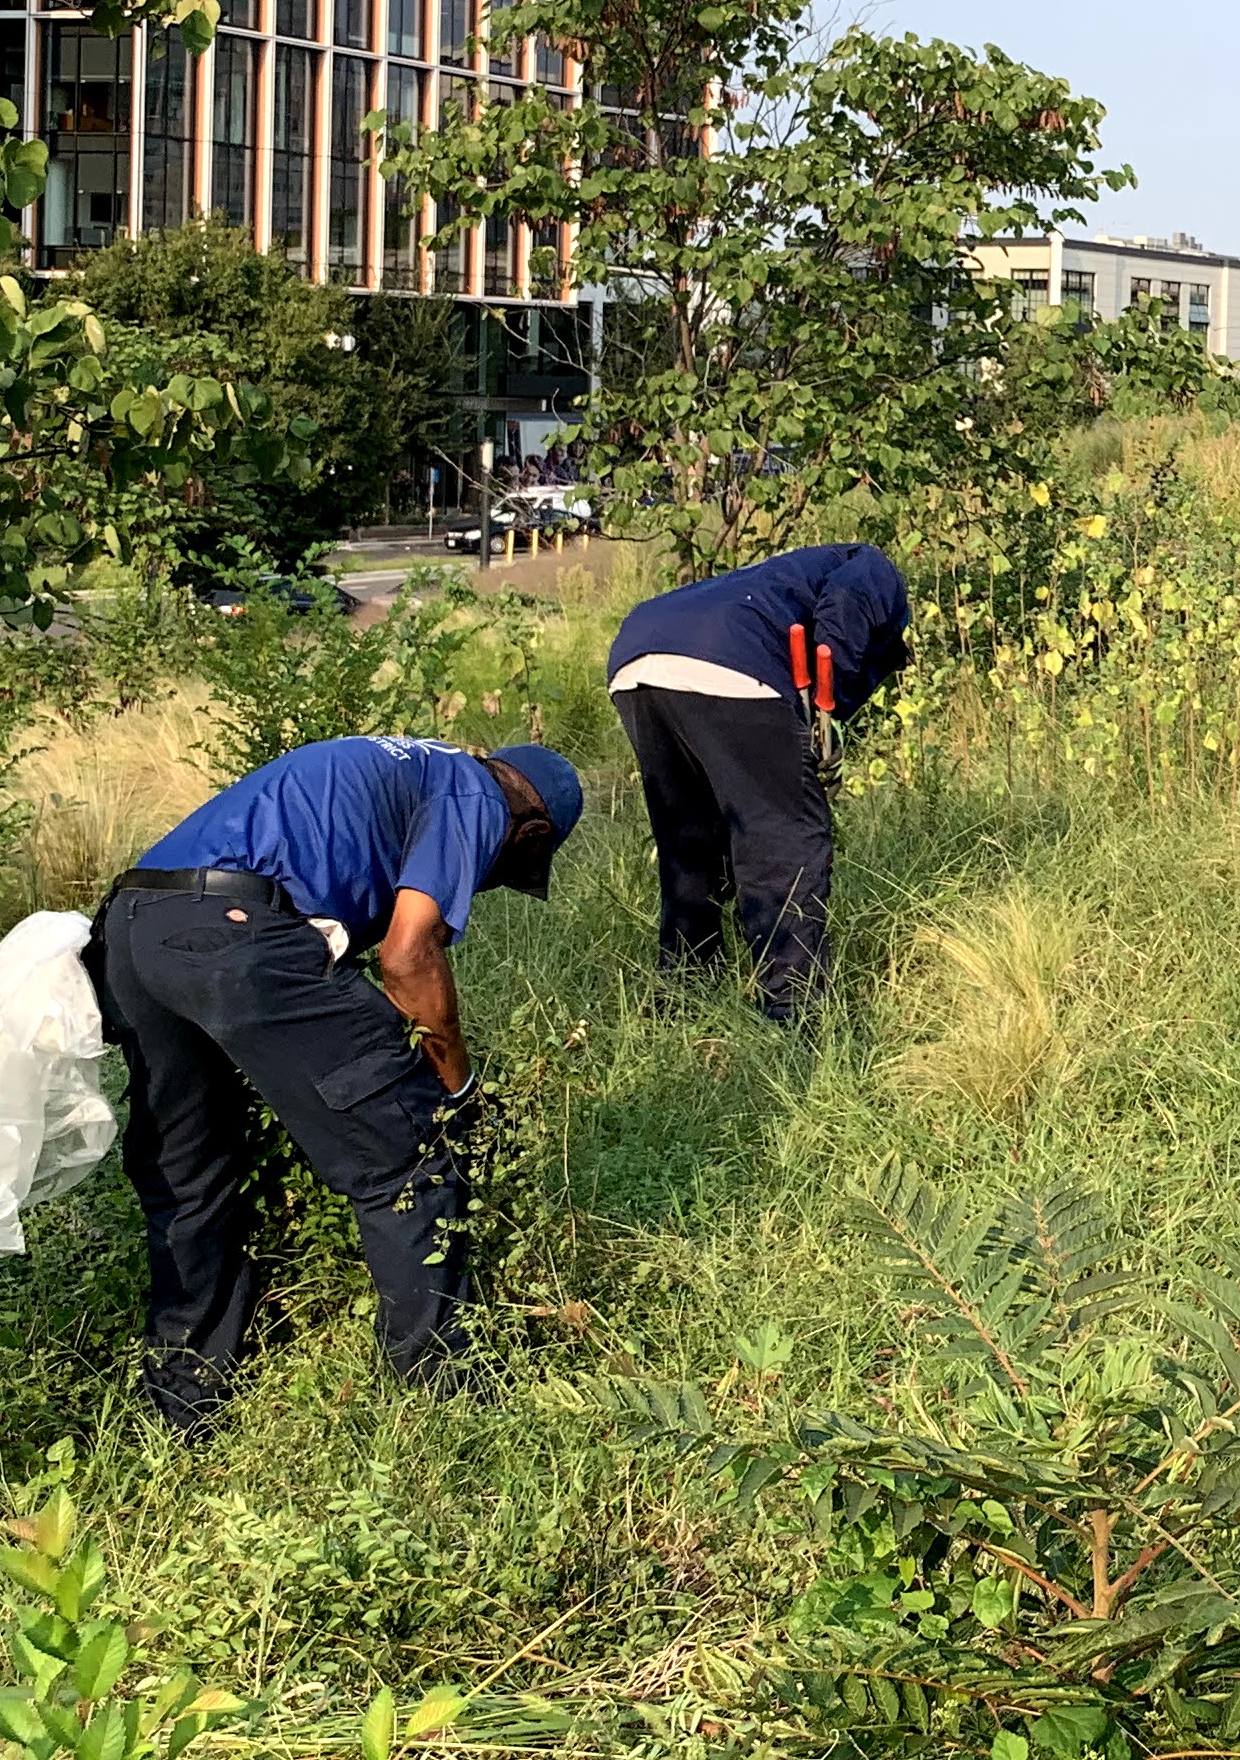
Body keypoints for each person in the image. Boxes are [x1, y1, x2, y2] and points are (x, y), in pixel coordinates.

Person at [94, 735, 585, 1433]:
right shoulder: (472, 794)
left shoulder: (407, 765)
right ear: (530, 832)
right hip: (236, 934)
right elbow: (408, 954)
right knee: (408, 1153)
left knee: (190, 1176)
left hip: (131, 930)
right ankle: (447, 1404)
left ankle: (181, 1408)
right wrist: (456, 1093)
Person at [608, 542, 913, 1019]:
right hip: (733, 658)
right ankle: (795, 1014)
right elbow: (842, 622)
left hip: (637, 656)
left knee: (691, 846)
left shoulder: (775, 576)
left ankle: (685, 1001)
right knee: (783, 841)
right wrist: (825, 719)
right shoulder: (875, 565)